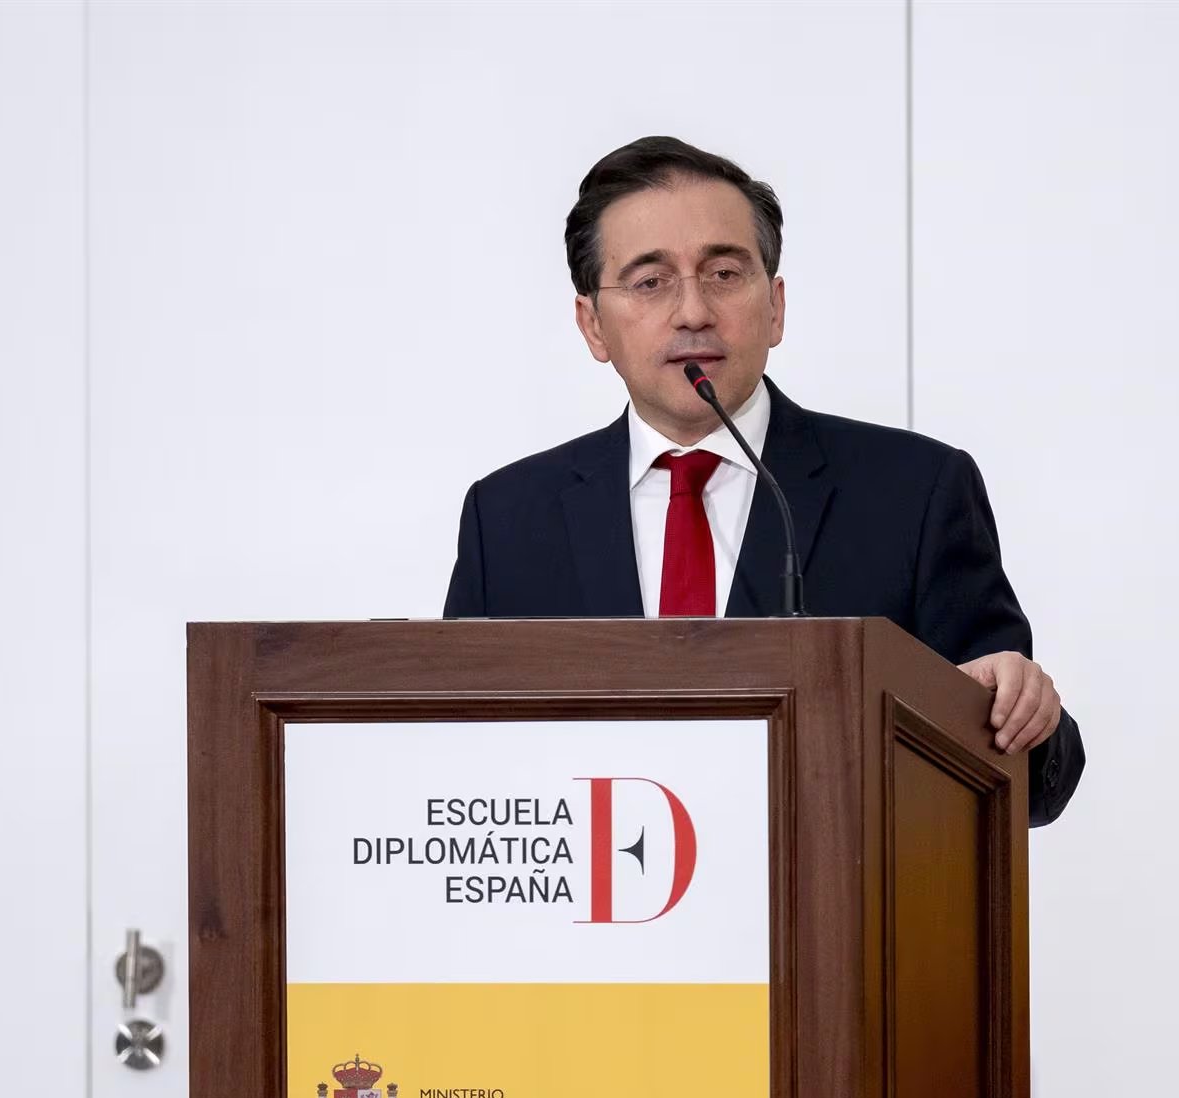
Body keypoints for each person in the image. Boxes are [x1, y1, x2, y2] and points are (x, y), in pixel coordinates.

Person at [443, 136, 1084, 825]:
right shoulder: (508, 519)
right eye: (651, 281)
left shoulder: (914, 492)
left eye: (724, 273)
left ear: (775, 307)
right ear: (593, 325)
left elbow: (1029, 785)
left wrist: (1021, 716)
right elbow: (454, 762)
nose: (693, 311)